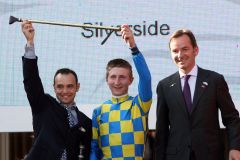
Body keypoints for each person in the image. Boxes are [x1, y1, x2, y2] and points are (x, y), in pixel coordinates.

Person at [155, 29, 240, 160]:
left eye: (185, 49)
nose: (180, 54)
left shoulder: (215, 80)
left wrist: (235, 148)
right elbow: (162, 129)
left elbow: (231, 118)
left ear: (196, 50)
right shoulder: (164, 86)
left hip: (210, 155)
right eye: (175, 51)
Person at [21, 20, 92, 160]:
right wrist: (30, 43)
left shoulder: (86, 122)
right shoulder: (43, 105)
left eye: (70, 86)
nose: (65, 91)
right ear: (54, 87)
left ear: (77, 87)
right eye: (60, 86)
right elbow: (31, 80)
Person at [90, 24, 152, 159]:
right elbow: (94, 148)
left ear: (131, 80)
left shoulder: (139, 105)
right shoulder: (98, 111)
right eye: (113, 77)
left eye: (122, 77)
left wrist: (133, 47)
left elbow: (146, 78)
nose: (117, 82)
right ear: (107, 79)